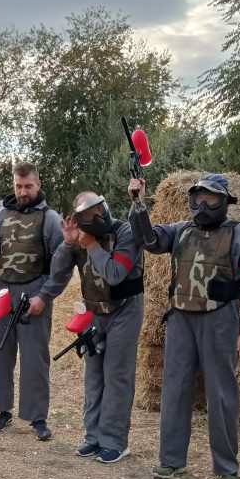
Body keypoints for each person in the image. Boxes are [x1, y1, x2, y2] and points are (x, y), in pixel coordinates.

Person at [128, 174, 240, 479]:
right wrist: (138, 204)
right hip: (180, 319)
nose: (203, 204)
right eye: (198, 198)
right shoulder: (180, 230)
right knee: (174, 389)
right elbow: (148, 240)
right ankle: (171, 460)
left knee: (222, 394)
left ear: (225, 202)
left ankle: (226, 467)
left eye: (211, 198)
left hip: (220, 320)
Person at [39, 191, 145, 462]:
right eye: (87, 214)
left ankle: (115, 441)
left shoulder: (125, 232)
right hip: (95, 313)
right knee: (94, 377)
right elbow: (58, 274)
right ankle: (93, 437)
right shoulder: (81, 238)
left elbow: (114, 274)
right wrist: (67, 244)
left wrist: (91, 246)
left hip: (124, 310)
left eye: (98, 209)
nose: (96, 216)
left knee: (117, 377)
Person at [0, 161, 63, 441]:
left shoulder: (51, 219)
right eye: (18, 186)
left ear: (38, 184)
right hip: (2, 293)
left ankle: (37, 417)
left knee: (35, 359)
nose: (23, 192)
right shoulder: (2, 216)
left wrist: (44, 296)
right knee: (0, 354)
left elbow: (62, 264)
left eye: (28, 186)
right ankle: (3, 411)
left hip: (33, 294)